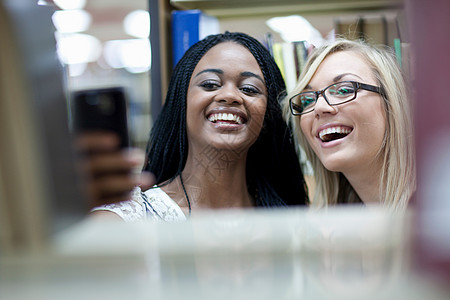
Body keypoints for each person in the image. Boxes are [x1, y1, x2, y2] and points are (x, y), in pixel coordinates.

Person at [79, 31, 308, 222]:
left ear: (270, 114)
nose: (229, 95)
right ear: (182, 102)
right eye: (209, 84)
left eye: (249, 89)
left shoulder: (291, 220)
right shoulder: (127, 221)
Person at [283, 38, 415, 210]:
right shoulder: (333, 227)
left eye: (344, 90)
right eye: (308, 99)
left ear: (391, 102)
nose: (319, 107)